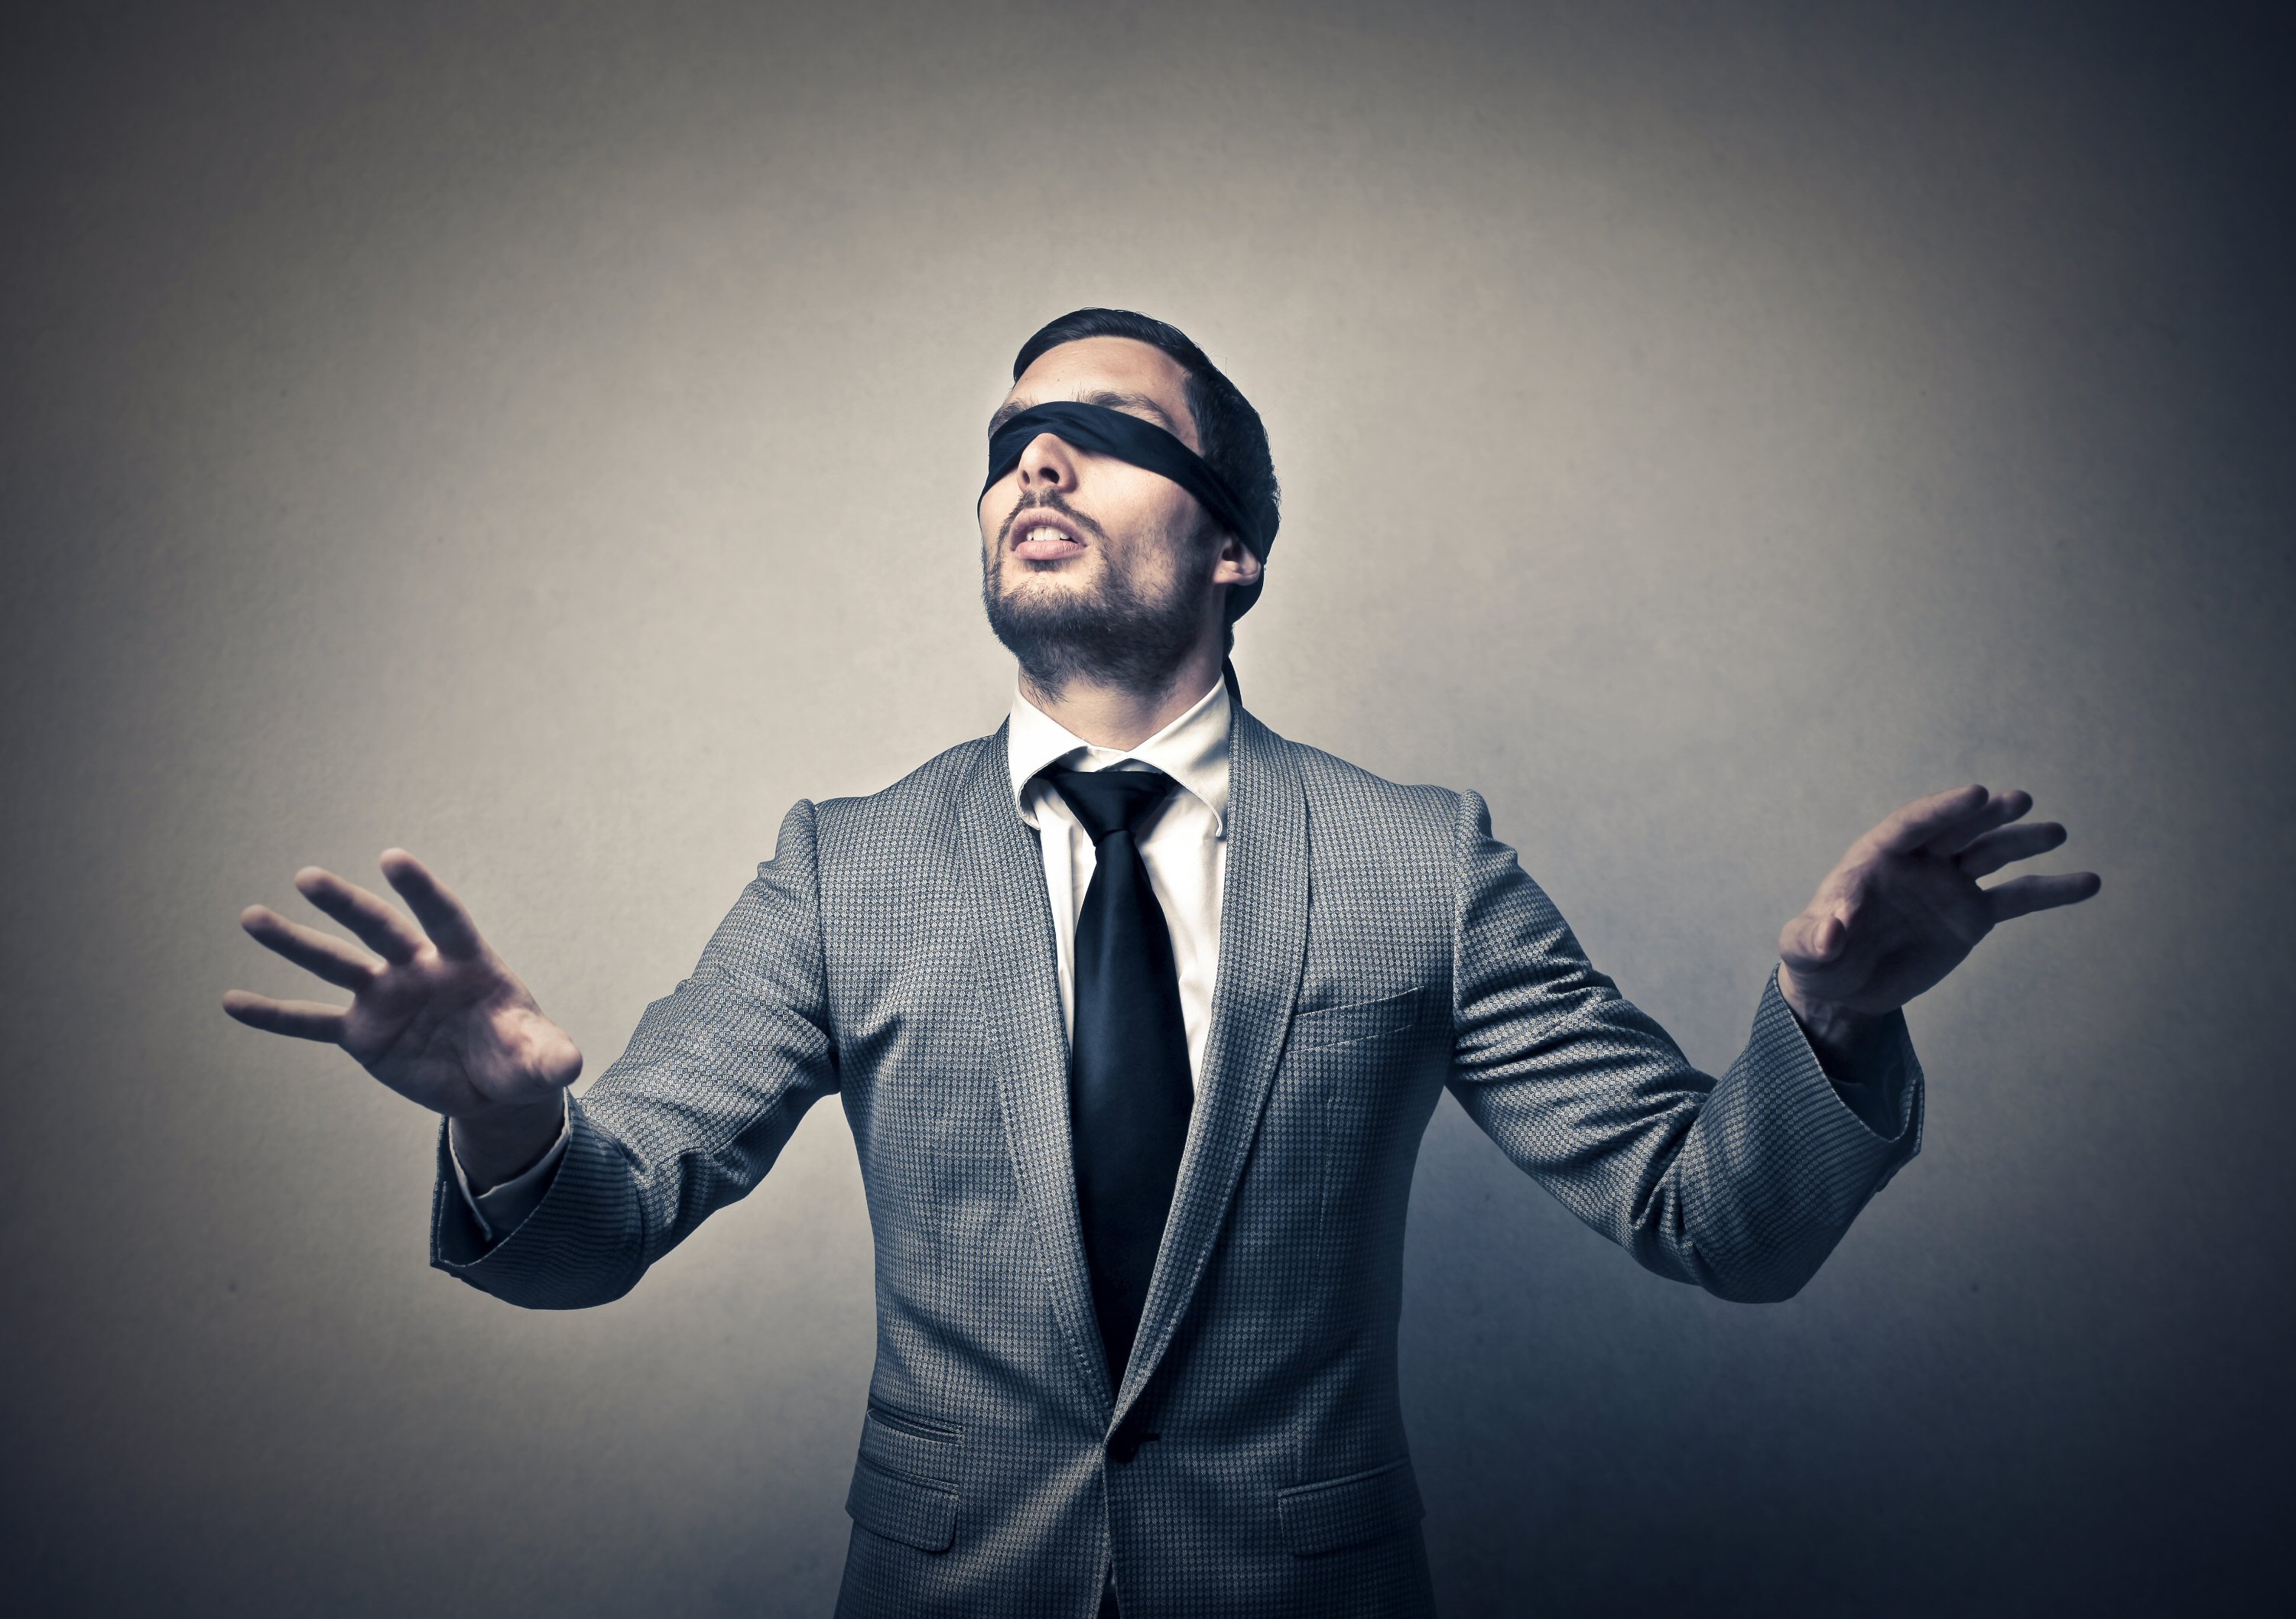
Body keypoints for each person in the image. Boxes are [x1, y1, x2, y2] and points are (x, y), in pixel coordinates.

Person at [223, 308, 2099, 1618]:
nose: (1036, 459)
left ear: (1236, 553)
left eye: (1111, 435)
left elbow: (1718, 1222)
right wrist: (503, 1126)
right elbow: (594, 1233)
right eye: (1008, 447)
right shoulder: (844, 869)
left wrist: (1827, 1024)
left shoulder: (1418, 865)